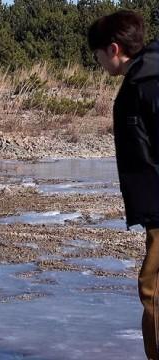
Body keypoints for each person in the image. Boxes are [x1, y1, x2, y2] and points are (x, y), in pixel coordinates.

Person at [89, 10, 159, 359]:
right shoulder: (147, 76)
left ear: (113, 49)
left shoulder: (147, 84)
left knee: (154, 293)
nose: (98, 62)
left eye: (97, 55)